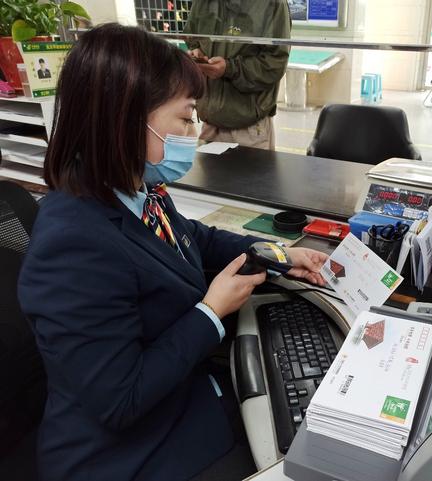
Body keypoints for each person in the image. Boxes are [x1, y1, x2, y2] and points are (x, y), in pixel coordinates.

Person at [18, 23, 327, 481]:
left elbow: (194, 239)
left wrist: (276, 253)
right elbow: (120, 400)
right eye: (185, 117)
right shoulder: (73, 244)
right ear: (126, 119)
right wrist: (211, 311)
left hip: (181, 398)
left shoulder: (137, 191)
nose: (193, 131)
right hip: (126, 454)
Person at [183, 0, 291, 150]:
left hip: (248, 128)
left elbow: (275, 62)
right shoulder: (203, 2)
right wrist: (197, 52)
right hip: (210, 123)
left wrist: (230, 68)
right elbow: (192, 36)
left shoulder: (272, 4)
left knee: (249, 167)